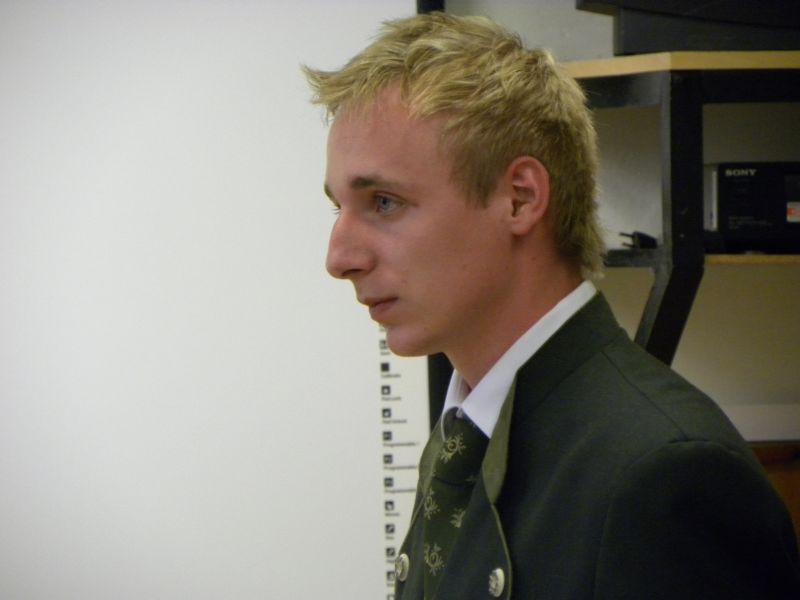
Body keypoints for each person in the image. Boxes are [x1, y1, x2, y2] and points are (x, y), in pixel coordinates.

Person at [303, 11, 800, 600]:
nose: (339, 257)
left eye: (384, 202)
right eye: (339, 207)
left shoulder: (663, 473)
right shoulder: (469, 434)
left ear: (519, 199)